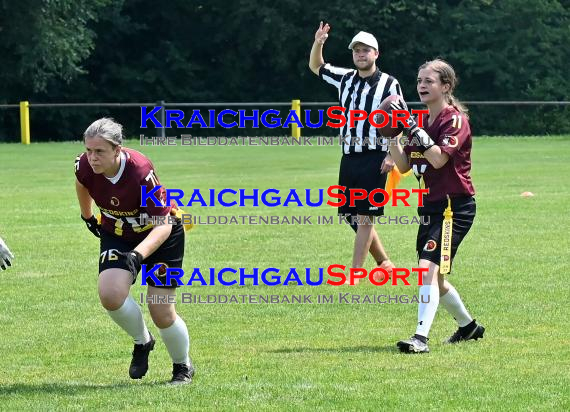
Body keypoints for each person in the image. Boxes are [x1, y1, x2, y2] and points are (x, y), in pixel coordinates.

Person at [74, 117, 194, 383]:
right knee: (110, 294)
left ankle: (182, 367)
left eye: (100, 152)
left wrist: (138, 256)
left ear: (117, 150)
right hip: (117, 232)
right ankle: (143, 342)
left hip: (161, 234)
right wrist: (88, 216)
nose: (92, 157)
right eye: (89, 150)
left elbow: (162, 226)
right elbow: (82, 182)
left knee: (160, 310)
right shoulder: (84, 164)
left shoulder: (140, 171)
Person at [386, 59, 485, 353]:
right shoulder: (422, 120)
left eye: (428, 81)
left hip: (453, 208)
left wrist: (412, 127)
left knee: (426, 269)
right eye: (419, 81)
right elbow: (404, 166)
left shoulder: (454, 120)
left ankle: (420, 338)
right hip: (430, 207)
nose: (421, 86)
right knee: (435, 279)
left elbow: (440, 158)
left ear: (446, 86)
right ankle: (469, 327)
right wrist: (392, 137)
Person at [309, 22, 402, 280]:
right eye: (356, 51)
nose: (360, 54)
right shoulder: (345, 79)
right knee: (350, 214)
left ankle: (356, 272)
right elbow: (316, 66)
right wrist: (319, 42)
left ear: (376, 54)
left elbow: (400, 121)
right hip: (349, 156)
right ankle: (384, 262)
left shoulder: (389, 84)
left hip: (376, 157)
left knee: (365, 217)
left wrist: (390, 156)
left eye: (365, 50)